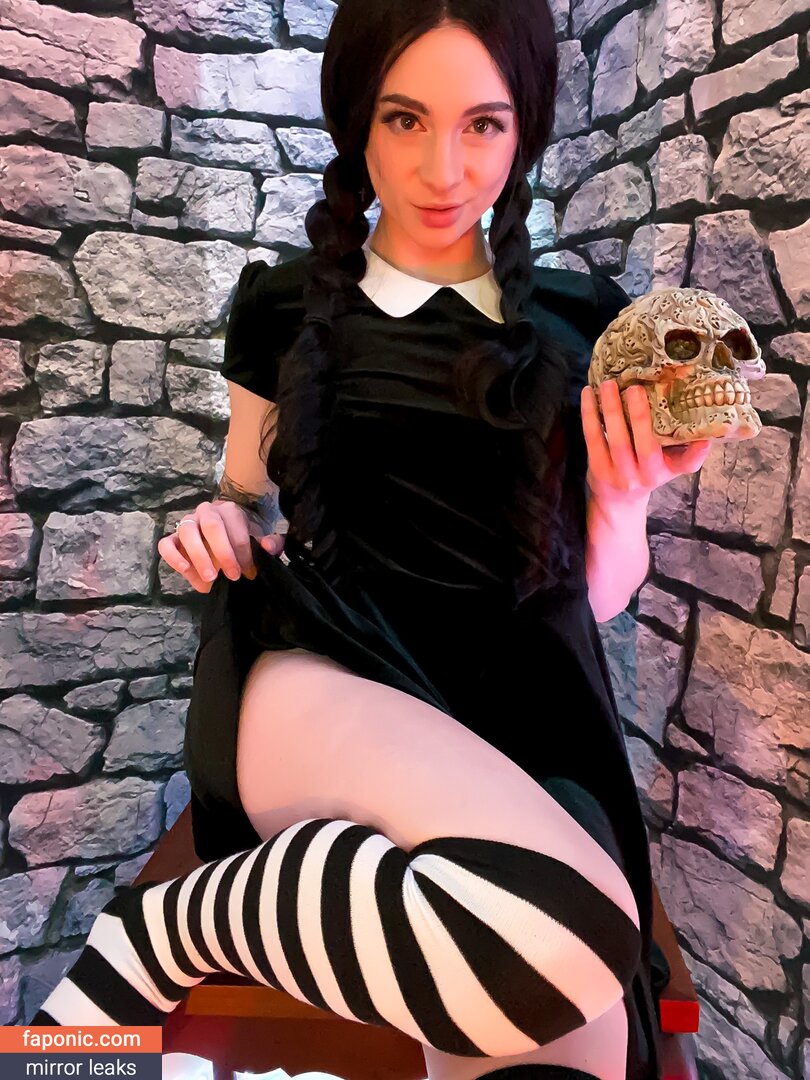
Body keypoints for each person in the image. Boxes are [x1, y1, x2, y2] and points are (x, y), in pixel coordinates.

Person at [29, 3, 713, 1076]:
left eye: (483, 125)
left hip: (521, 713)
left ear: (526, 127)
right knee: (577, 928)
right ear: (357, 120)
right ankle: (170, 932)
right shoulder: (282, 307)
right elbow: (247, 496)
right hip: (321, 670)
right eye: (405, 119)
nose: (442, 169)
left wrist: (625, 501)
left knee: (571, 1013)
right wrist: (223, 521)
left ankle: (174, 951)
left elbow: (599, 591)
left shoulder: (583, 321)